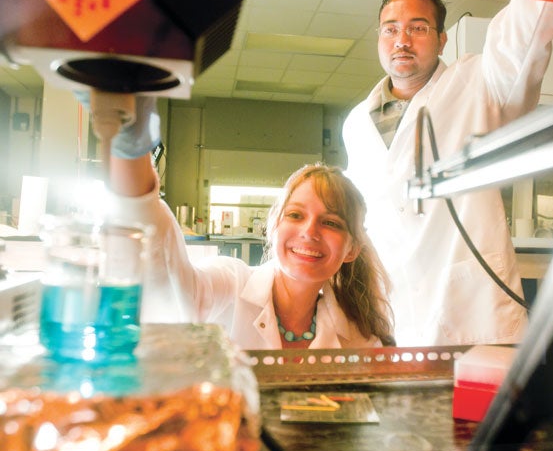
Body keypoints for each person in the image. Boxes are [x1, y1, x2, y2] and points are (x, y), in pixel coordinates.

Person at [342, 0, 553, 347]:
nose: (401, 40)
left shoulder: (479, 83)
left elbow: (528, 26)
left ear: (442, 41)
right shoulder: (357, 123)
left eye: (418, 28)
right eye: (390, 29)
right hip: (394, 315)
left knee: (487, 404)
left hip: (475, 312)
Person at [103, 113, 394, 350]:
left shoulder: (358, 337)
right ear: (273, 227)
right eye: (295, 215)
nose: (309, 231)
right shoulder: (231, 284)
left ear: (352, 249)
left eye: (331, 222)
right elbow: (167, 280)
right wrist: (130, 139)